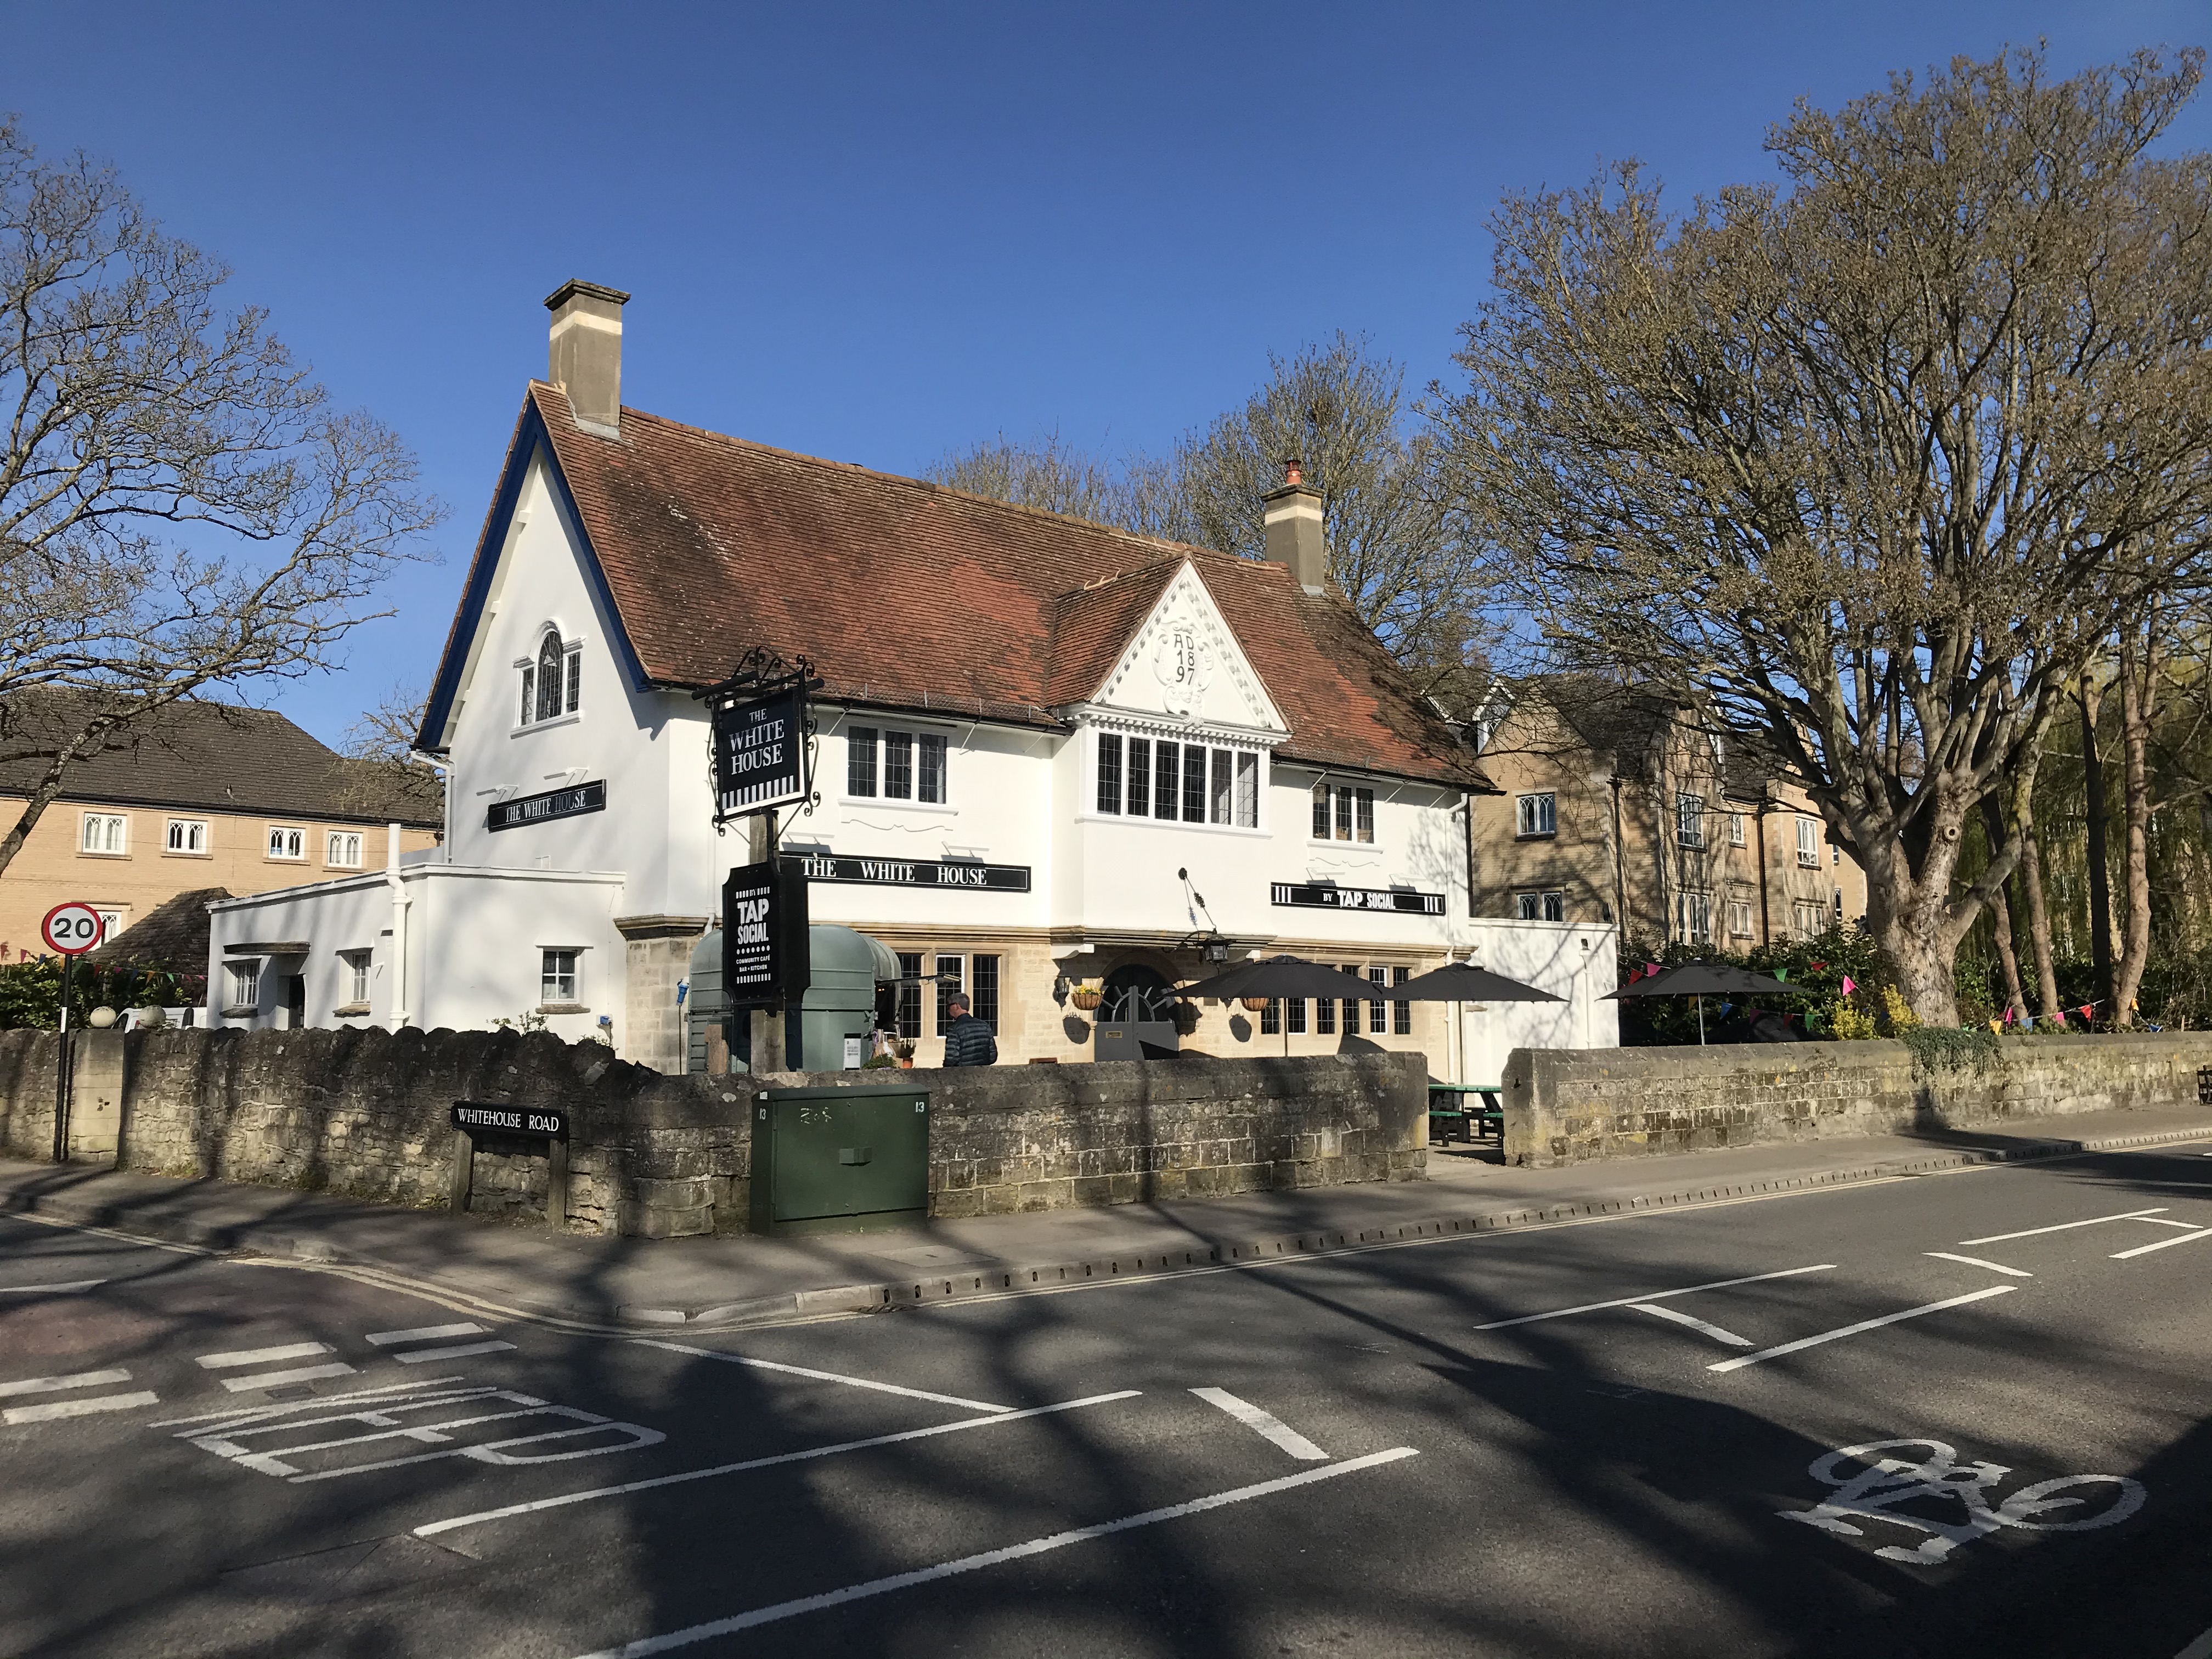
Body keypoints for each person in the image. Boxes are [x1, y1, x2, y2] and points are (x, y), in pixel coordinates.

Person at [941, 993, 997, 1066]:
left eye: (949, 1006)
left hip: (963, 1074)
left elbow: (951, 1060)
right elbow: (992, 1056)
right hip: (983, 1074)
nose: (948, 1010)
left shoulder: (954, 1029)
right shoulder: (985, 1026)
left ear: (957, 1006)